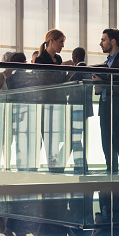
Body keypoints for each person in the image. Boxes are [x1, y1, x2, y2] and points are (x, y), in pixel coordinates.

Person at [93, 28, 119, 173]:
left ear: (113, 41)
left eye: (103, 40)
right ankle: (111, 173)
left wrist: (103, 84)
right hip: (105, 107)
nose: (100, 43)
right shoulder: (106, 63)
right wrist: (98, 88)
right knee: (107, 143)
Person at [35, 29, 74, 172]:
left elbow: (60, 81)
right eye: (61, 42)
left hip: (60, 102)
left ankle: (57, 165)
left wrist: (69, 73)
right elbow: (45, 81)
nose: (62, 45)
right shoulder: (41, 60)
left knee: (62, 137)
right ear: (51, 41)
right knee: (50, 138)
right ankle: (53, 167)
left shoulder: (57, 59)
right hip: (48, 104)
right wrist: (62, 68)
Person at [66, 47, 94, 173]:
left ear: (75, 57)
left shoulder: (76, 72)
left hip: (76, 109)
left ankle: (81, 166)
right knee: (76, 138)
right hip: (85, 109)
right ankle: (81, 165)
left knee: (75, 139)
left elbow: (68, 89)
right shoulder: (89, 71)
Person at [0, 51, 19, 169]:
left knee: (10, 140)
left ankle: (6, 165)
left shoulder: (15, 77)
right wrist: (5, 97)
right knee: (0, 140)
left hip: (12, 112)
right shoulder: (1, 76)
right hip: (1, 111)